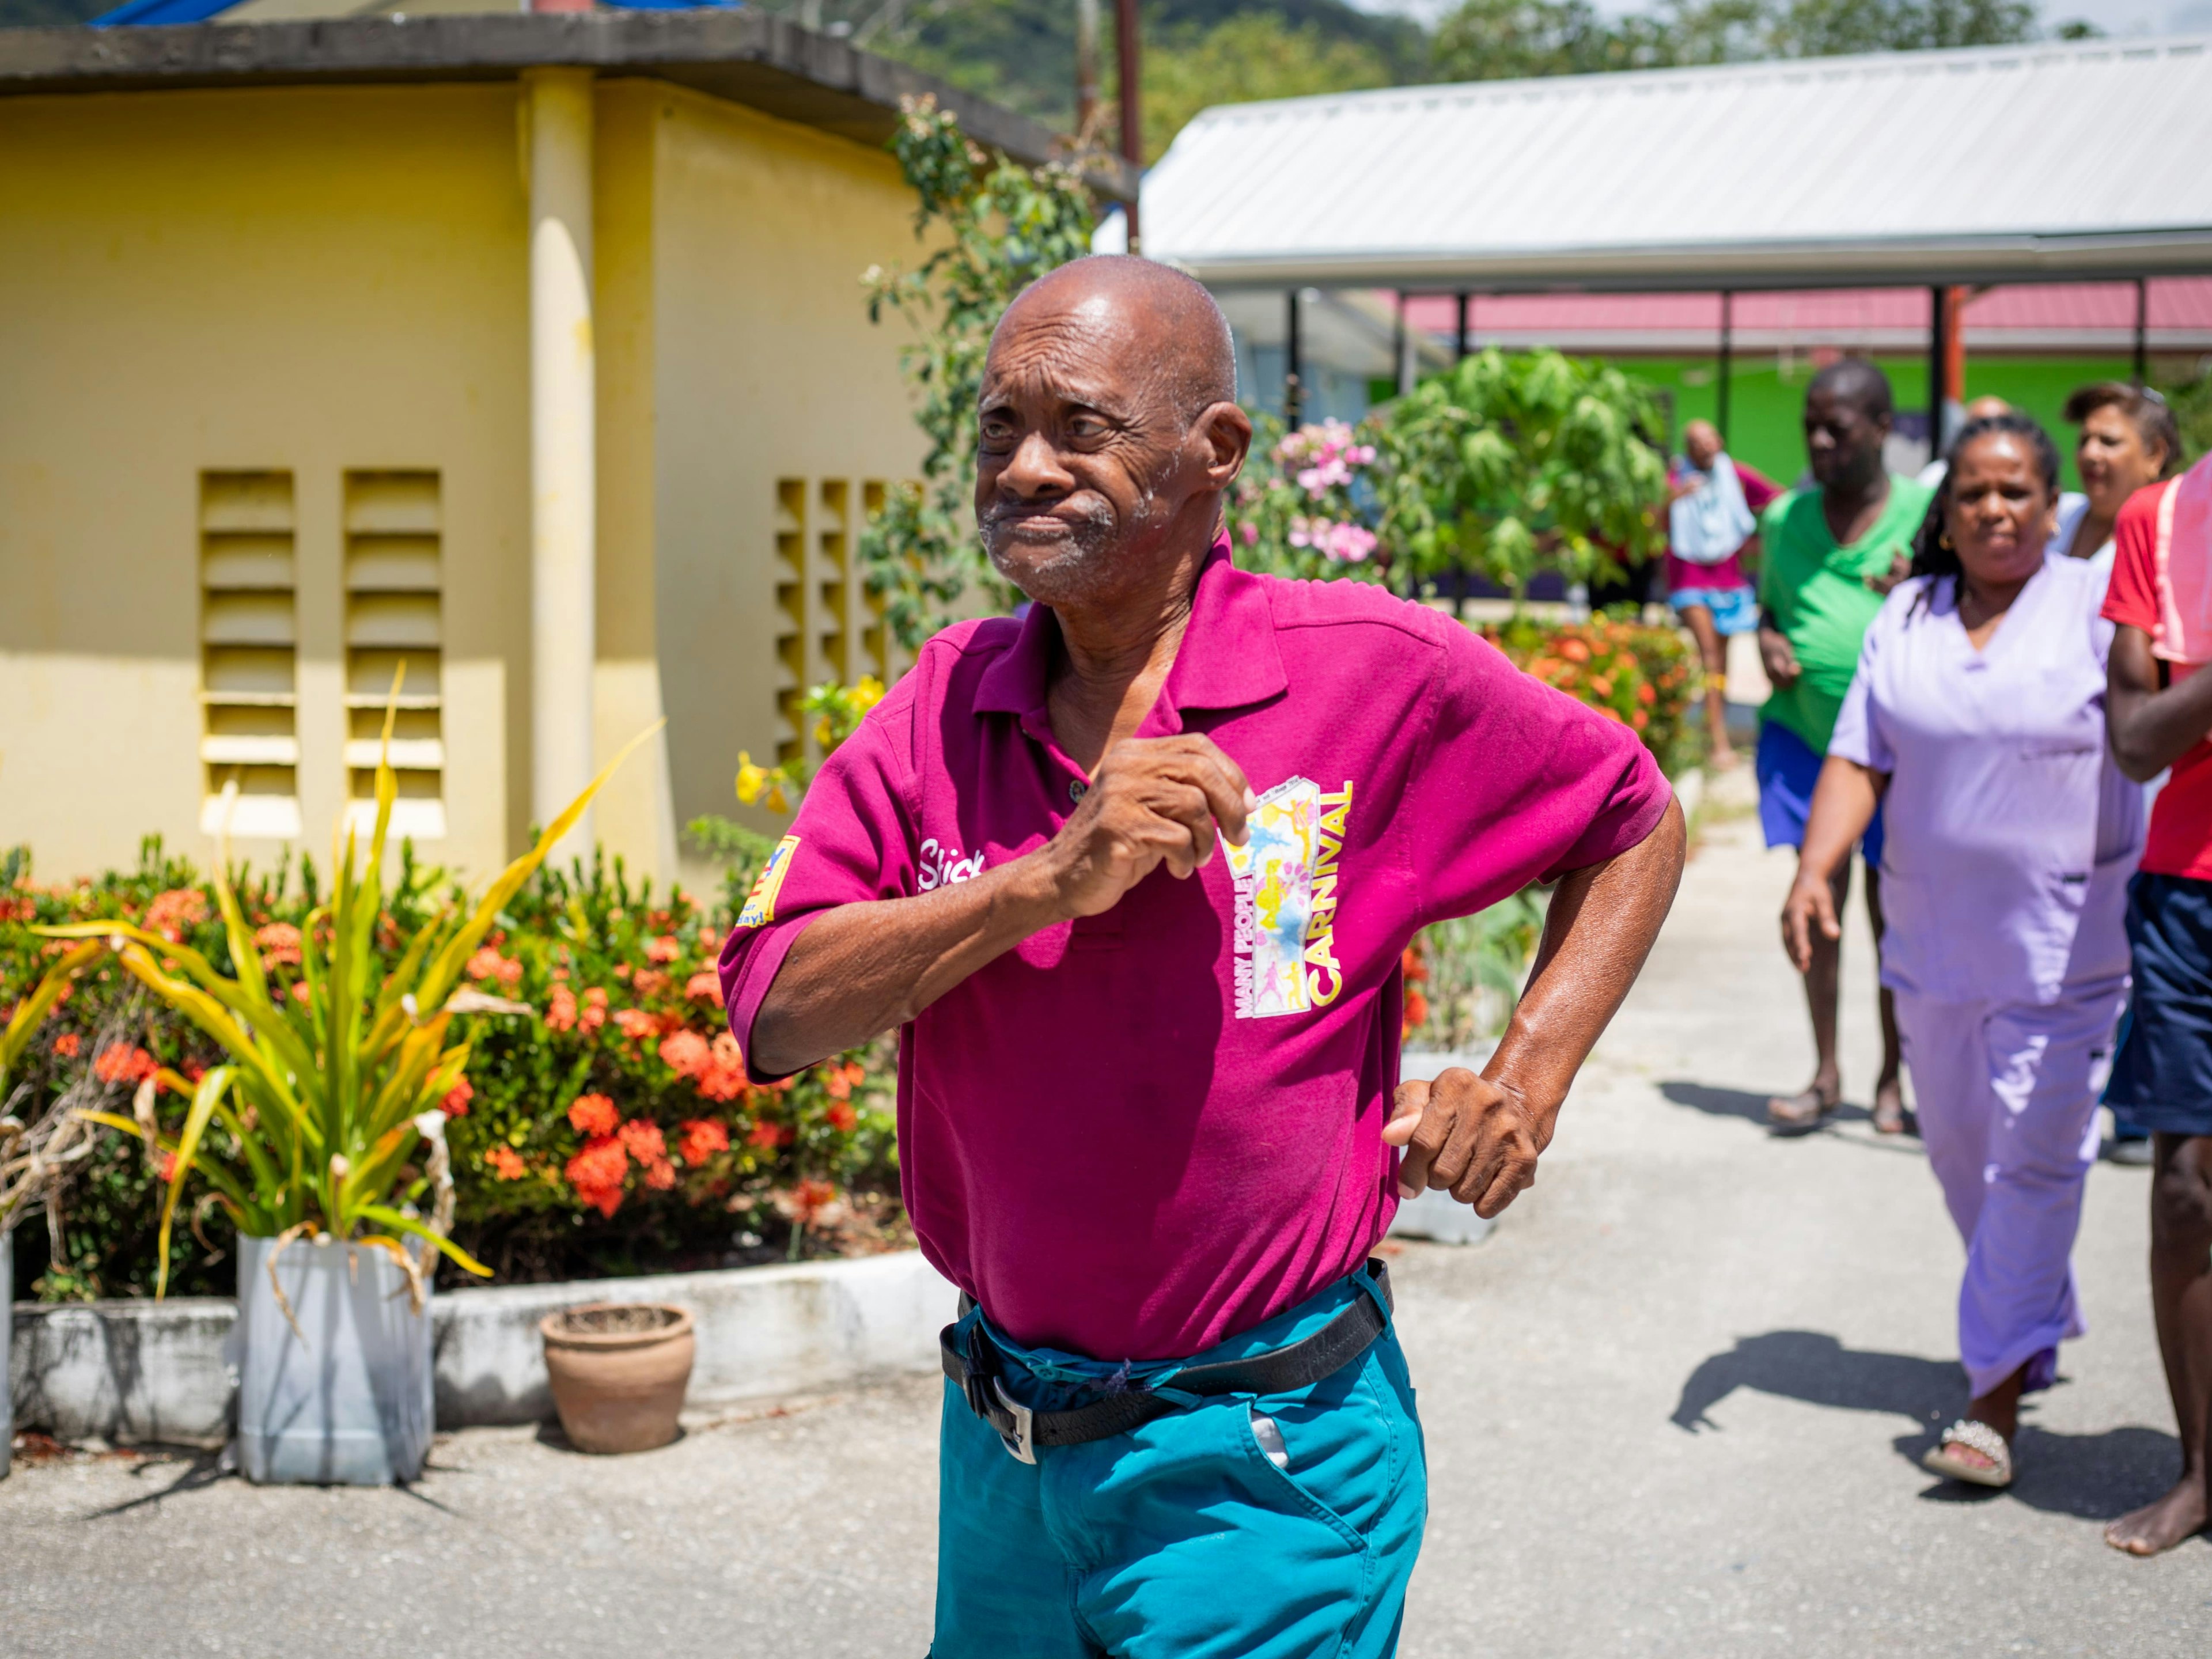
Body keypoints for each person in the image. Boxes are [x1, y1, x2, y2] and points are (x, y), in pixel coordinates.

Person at [717, 256, 1687, 1653]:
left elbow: (1629, 819)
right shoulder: (942, 705)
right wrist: (1043, 881)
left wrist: (1524, 1078)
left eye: (1079, 425)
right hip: (1006, 1456)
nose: (1026, 465)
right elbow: (770, 1008)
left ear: (1212, 451)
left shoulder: (1367, 670)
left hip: (1262, 1457)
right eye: (998, 428)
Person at [1783, 413, 2141, 1489]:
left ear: (2052, 506)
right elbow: (1858, 754)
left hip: (2068, 942)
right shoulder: (1909, 614)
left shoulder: (2096, 605)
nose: (1996, 510)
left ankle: (1992, 1398)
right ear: (1947, 510)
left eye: (2018, 492)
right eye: (1975, 493)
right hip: (1935, 942)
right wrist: (1811, 871)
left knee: (2035, 1160)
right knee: (1958, 1156)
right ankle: (2035, 1311)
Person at [1757, 360, 1931, 1134]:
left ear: (1883, 429)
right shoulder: (1783, 520)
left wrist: (1921, 593)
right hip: (1803, 738)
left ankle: (1893, 1080)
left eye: (1840, 427)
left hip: (1899, 752)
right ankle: (1827, 1074)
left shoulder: (1928, 513)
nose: (1821, 441)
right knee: (1813, 900)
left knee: (1892, 914)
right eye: (1811, 427)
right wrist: (1767, 643)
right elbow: (1769, 609)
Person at [2099, 444, 2212, 1555]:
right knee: (2186, 1189)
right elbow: (2135, 740)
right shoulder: (2164, 516)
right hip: (2190, 899)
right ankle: (2199, 1474)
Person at [1666, 419, 1781, 770]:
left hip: (1730, 583)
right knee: (1710, 658)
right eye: (1696, 442)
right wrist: (1676, 496)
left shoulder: (1736, 476)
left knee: (1722, 664)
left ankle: (1710, 731)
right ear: (1687, 448)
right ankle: (1717, 743)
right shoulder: (1676, 480)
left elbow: (1779, 499)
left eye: (1710, 439)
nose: (1705, 446)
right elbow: (1651, 516)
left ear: (1719, 441)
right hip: (1690, 582)